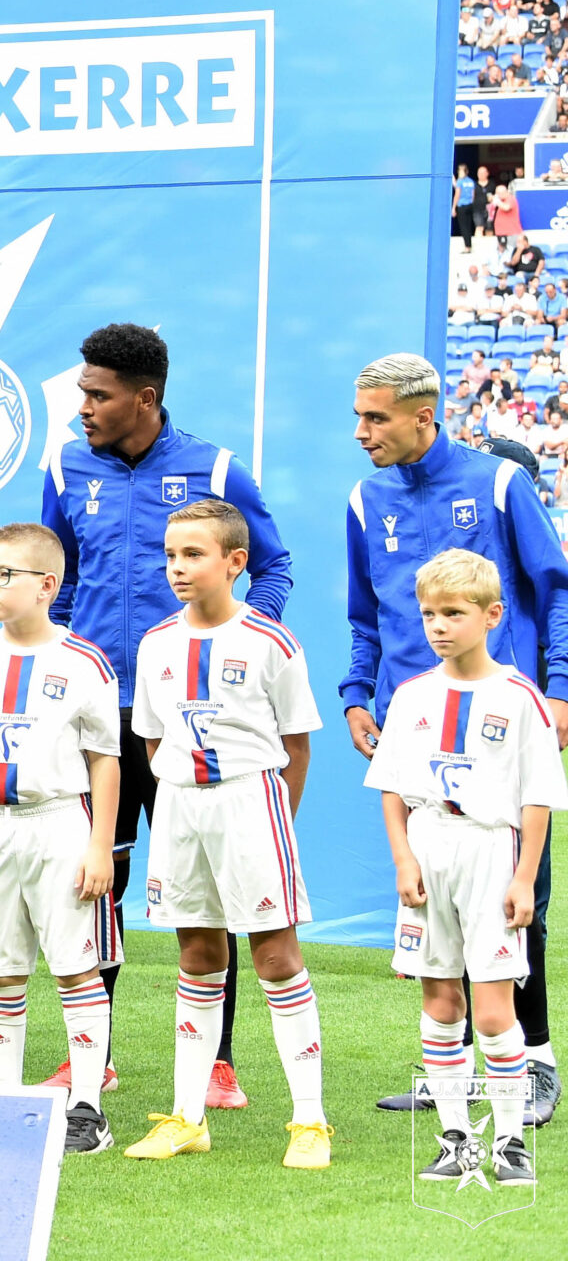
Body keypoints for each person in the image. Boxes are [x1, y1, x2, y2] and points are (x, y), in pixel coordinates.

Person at [41, 323, 290, 1104]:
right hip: (95, 718)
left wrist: (249, 639)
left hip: (190, 722)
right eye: (82, 391)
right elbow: (59, 574)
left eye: (98, 395)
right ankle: (93, 1055)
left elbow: (273, 564)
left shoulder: (215, 469)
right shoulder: (64, 465)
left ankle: (220, 1065)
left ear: (144, 399)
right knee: (93, 880)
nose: (83, 407)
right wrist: (62, 656)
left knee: (216, 891)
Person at [347, 353, 568, 1124]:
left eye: (375, 417)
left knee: (516, 899)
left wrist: (561, 686)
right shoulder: (365, 498)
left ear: (422, 414)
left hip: (499, 719)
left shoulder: (500, 483)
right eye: (358, 416)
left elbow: (556, 586)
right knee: (431, 895)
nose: (361, 432)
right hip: (413, 720)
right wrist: (356, 694)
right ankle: (453, 1071)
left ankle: (534, 1064)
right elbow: (365, 612)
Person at [122, 500, 331, 1169]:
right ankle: (187, 1118)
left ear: (236, 563)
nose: (177, 567)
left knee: (274, 957)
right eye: (172, 554)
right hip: (181, 805)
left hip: (252, 801)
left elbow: (295, 742)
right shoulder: (155, 643)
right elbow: (152, 737)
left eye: (194, 555)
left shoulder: (270, 641)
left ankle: (310, 1122)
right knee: (197, 954)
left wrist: (280, 822)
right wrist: (181, 788)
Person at [370, 548, 561, 1188]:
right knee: (439, 997)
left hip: (489, 849)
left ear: (492, 615)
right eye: (429, 614)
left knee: (492, 1008)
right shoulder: (412, 695)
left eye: (453, 612)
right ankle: (454, 1138)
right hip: (429, 846)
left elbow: (537, 796)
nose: (439, 626)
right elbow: (393, 786)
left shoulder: (520, 697)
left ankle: (508, 1143)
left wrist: (525, 876)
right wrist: (402, 859)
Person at [0, 523, 123, 1156]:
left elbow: (104, 759)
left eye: (3, 575)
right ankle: (5, 1101)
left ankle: (87, 1108)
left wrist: (101, 845)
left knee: (77, 968)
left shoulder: (83, 662)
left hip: (58, 824)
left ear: (47, 585)